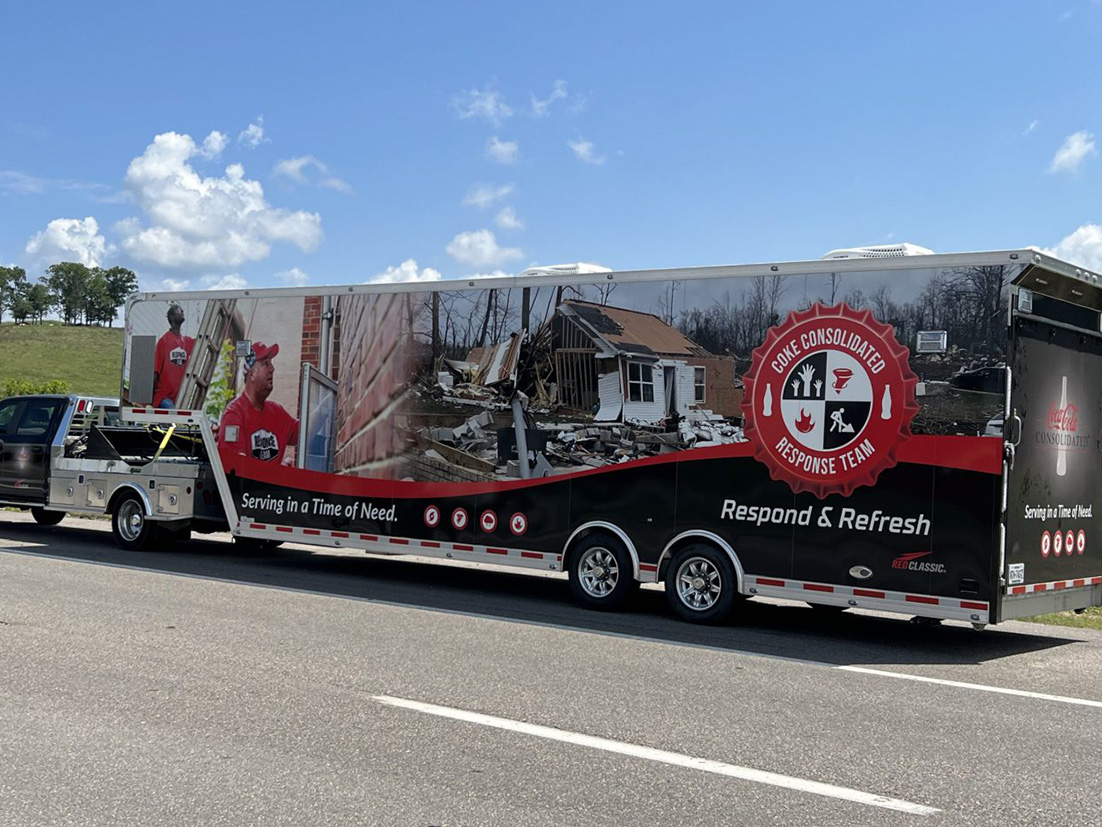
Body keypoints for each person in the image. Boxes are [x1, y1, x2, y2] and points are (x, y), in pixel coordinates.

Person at [218, 342, 299, 466]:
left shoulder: (277, 413)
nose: (272, 369)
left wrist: (324, 408)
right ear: (251, 374)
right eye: (265, 364)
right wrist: (278, 471)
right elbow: (238, 467)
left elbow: (304, 433)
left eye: (271, 363)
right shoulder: (234, 415)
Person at [152, 304, 196, 408]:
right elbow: (155, 373)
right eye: (179, 310)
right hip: (164, 398)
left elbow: (202, 341)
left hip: (179, 400)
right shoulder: (163, 341)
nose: (183, 312)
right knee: (172, 415)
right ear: (171, 317)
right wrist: (152, 400)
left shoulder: (187, 342)